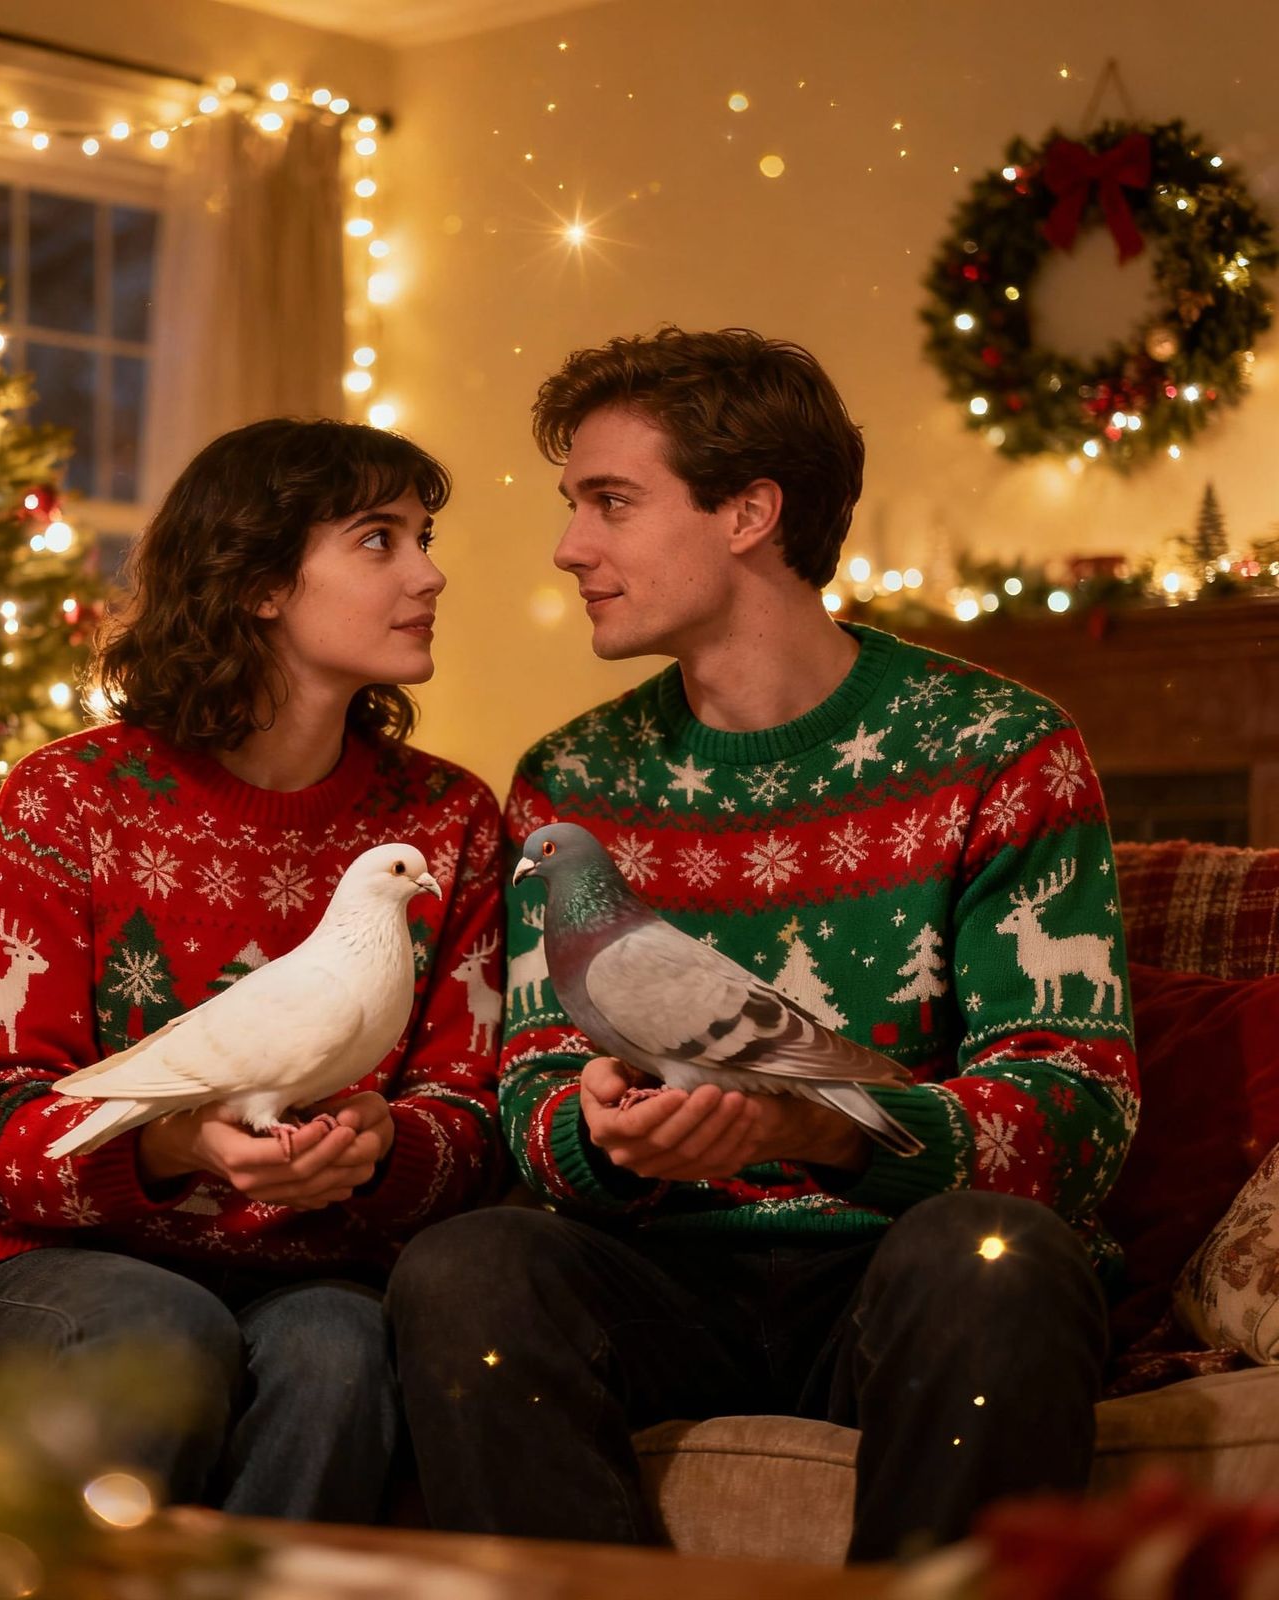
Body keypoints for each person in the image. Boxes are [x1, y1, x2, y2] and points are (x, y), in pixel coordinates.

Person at [386, 328, 1138, 1561]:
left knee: (996, 1256)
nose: (569, 546)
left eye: (610, 502)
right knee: (469, 1266)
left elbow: (1078, 1108)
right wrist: (600, 1127)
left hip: (900, 1274)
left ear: (748, 511)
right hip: (658, 1277)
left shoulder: (1001, 748)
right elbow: (525, 1086)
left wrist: (821, 1127)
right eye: (573, 505)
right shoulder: (569, 782)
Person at [0, 418, 503, 1524]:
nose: (431, 573)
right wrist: (175, 1141)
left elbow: (471, 1119)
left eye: (424, 537)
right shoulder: (69, 798)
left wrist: (377, 1151)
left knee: (340, 1353)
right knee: (162, 1334)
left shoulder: (447, 823)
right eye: (379, 540)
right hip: (52, 1257)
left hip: (315, 1267)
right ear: (260, 583)